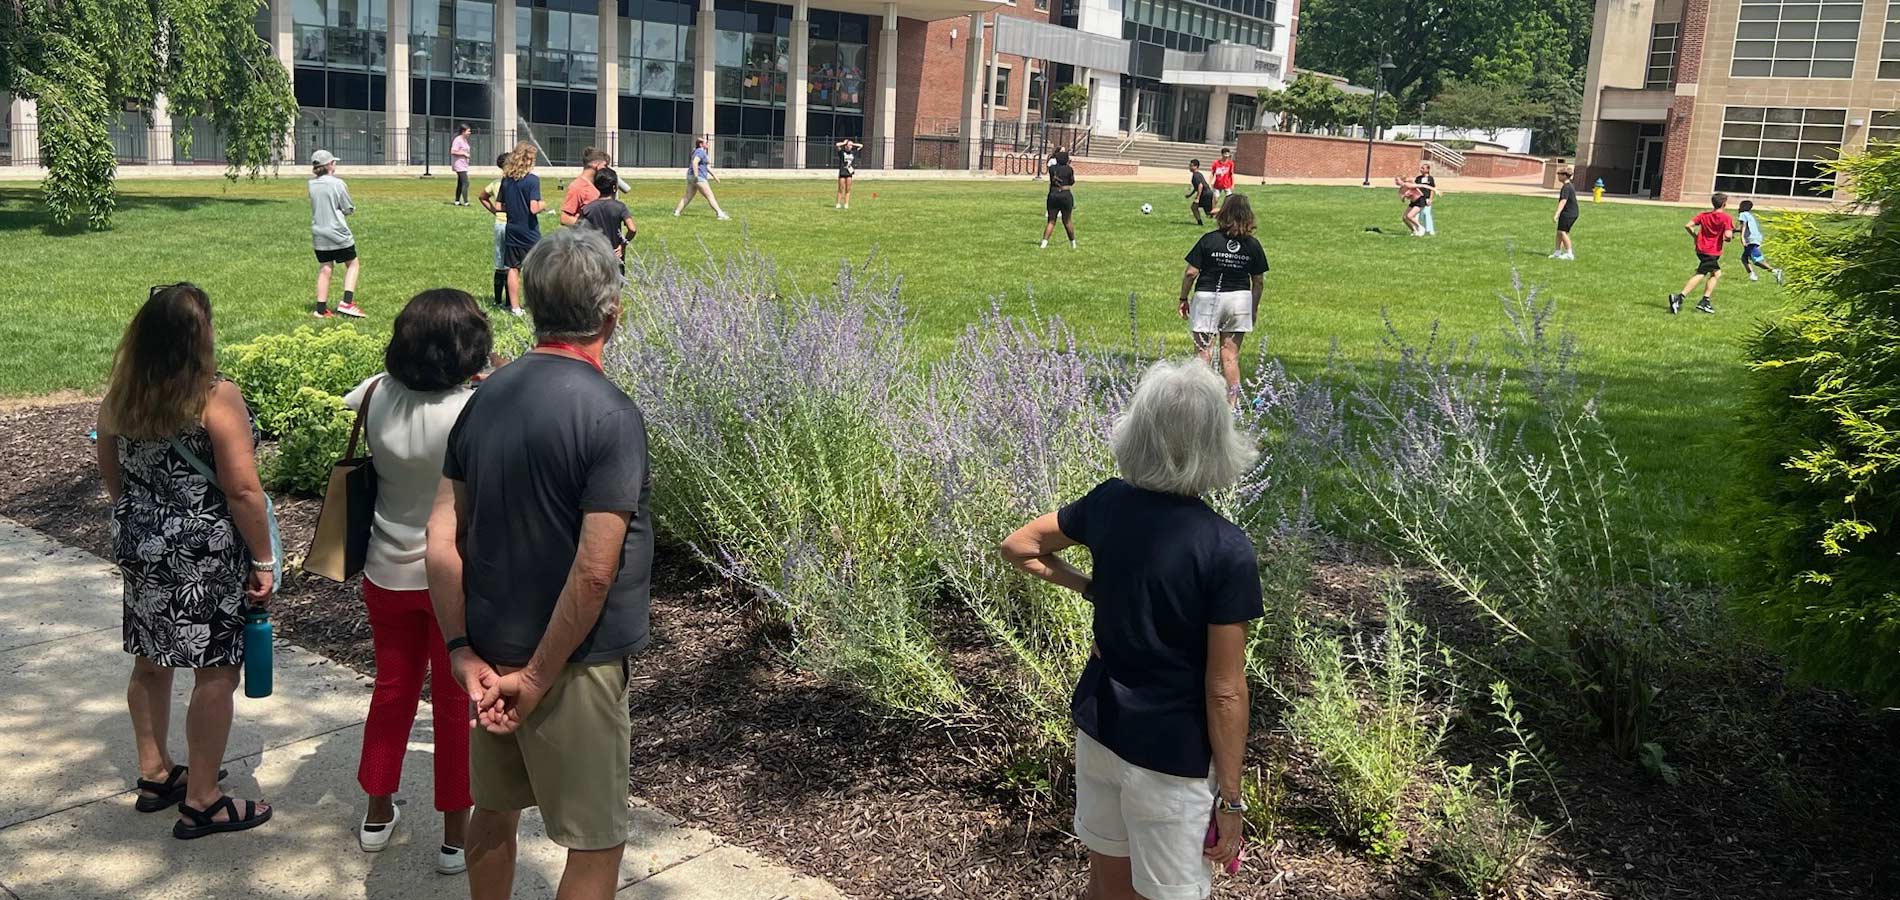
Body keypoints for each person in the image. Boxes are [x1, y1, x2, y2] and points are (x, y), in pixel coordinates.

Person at [427, 226, 652, 900]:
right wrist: (535, 676)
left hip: (491, 654)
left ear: (530, 304)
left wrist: (463, 651)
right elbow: (594, 570)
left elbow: (441, 538)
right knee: (595, 843)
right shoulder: (610, 416)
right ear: (611, 314)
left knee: (493, 812)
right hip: (573, 665)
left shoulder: (485, 397)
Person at [999, 357, 1260, 900]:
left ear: (1138, 432)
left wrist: (1089, 586)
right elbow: (1225, 690)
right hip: (1172, 758)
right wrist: (1231, 800)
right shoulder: (1225, 549)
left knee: (1106, 887)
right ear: (1216, 442)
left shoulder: (1109, 502)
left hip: (1101, 731)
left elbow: (1020, 546)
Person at [97, 283, 275, 840]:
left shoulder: (123, 394)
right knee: (215, 670)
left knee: (150, 660)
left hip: (142, 542)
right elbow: (242, 490)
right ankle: (203, 800)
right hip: (203, 552)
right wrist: (265, 558)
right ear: (200, 337)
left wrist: (146, 518)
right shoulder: (215, 397)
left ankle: (156, 774)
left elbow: (111, 472)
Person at [346, 290, 493, 875]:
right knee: (455, 703)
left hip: (385, 570)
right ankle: (455, 833)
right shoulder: (474, 410)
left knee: (392, 689)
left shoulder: (374, 394)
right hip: (452, 574)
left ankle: (377, 811)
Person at [1179, 193, 1269, 404]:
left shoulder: (1209, 240)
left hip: (1207, 299)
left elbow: (1191, 273)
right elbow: (1258, 281)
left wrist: (1183, 298)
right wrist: (1253, 308)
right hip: (1238, 301)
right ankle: (1231, 406)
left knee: (1203, 354)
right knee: (1230, 356)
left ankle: (1200, 403)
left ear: (1223, 214)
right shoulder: (1253, 245)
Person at [309, 150, 366, 319]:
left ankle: (321, 309)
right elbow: (347, 208)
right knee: (353, 264)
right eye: (333, 162)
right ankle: (347, 302)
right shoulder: (338, 183)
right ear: (328, 165)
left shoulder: (311, 184)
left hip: (319, 232)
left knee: (325, 268)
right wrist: (351, 209)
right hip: (337, 231)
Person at [497, 142, 545, 318]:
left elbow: (498, 206)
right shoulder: (532, 180)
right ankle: (536, 303)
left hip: (512, 229)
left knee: (513, 268)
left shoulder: (506, 179)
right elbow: (534, 208)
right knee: (536, 268)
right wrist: (543, 204)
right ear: (528, 160)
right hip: (529, 230)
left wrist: (513, 208)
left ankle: (515, 307)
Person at [1670, 192, 1734, 315]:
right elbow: (1728, 235)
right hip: (1712, 251)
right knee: (1701, 273)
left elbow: (1688, 225)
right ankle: (1679, 298)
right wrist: (1729, 237)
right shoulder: (1726, 218)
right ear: (1724, 204)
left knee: (1716, 273)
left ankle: (1705, 301)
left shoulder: (1703, 215)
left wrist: (1695, 236)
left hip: (1701, 249)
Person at [579, 167, 637, 266]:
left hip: (594, 258)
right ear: (615, 188)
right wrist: (623, 245)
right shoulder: (620, 207)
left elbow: (579, 230)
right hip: (615, 256)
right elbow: (632, 229)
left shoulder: (587, 208)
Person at [477, 153, 510, 309]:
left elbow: (482, 196)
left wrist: (495, 211)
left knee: (499, 262)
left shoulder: (496, 183)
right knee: (511, 264)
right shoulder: (513, 183)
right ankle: (509, 301)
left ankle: (497, 300)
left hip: (499, 223)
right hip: (511, 224)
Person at [673, 138, 730, 220]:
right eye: (706, 143)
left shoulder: (696, 151)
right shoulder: (701, 152)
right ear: (701, 144)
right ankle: (720, 214)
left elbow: (706, 166)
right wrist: (696, 176)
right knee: (710, 196)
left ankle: (677, 212)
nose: (708, 144)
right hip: (699, 177)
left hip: (690, 176)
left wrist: (714, 175)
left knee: (688, 196)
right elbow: (695, 162)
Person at [559, 147, 612, 227]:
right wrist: (589, 225)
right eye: (605, 165)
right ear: (595, 165)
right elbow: (565, 218)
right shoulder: (577, 187)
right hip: (587, 234)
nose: (606, 169)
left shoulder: (599, 184)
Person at [1735, 199, 1784, 284]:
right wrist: (1734, 230)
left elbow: (1744, 226)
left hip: (1751, 240)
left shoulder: (1743, 214)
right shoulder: (1750, 215)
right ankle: (1752, 274)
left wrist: (1742, 237)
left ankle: (1775, 271)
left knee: (1757, 260)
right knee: (1744, 258)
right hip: (1756, 238)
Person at [1041, 149, 1077, 250]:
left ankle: (1044, 243)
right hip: (1065, 194)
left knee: (1051, 221)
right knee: (1067, 221)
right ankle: (1073, 243)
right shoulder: (1069, 169)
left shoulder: (1052, 169)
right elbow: (1071, 182)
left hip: (1053, 194)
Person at [1551, 169, 1579, 260]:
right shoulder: (1568, 186)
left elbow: (1563, 201)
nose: (1558, 176)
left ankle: (1569, 254)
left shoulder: (1566, 187)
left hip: (1569, 213)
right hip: (1568, 212)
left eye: (1559, 174)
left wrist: (1557, 214)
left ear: (1565, 176)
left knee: (1562, 232)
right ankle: (1557, 252)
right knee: (1559, 232)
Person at [1410, 161, 1438, 236]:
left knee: (1427, 214)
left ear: (1427, 170)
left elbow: (1432, 189)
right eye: (1421, 168)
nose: (1421, 169)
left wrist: (1430, 199)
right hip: (1418, 199)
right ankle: (1416, 230)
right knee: (1415, 215)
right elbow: (1415, 188)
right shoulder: (1418, 178)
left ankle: (1430, 230)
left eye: (1423, 168)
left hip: (1426, 199)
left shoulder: (1430, 178)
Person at [835, 138, 863, 209]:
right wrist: (844, 143)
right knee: (840, 188)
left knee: (848, 189)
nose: (849, 146)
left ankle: (846, 203)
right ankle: (838, 203)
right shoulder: (842, 152)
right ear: (845, 146)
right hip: (842, 172)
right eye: (848, 145)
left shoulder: (853, 152)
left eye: (850, 146)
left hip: (849, 173)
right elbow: (837, 145)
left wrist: (852, 144)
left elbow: (861, 146)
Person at [1185, 160, 1214, 225]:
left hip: (1205, 194)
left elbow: (1200, 186)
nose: (1190, 167)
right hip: (1207, 193)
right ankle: (1199, 222)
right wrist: (1190, 195)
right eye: (1189, 165)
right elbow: (1197, 187)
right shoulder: (1198, 174)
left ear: (1196, 166)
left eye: (1191, 166)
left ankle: (1225, 210)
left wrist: (1197, 198)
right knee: (1194, 207)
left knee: (1209, 213)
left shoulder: (1196, 175)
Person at [450, 126, 473, 206]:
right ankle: (466, 202)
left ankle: (457, 201)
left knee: (460, 183)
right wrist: (464, 154)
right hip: (459, 164)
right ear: (463, 131)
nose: (469, 133)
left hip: (464, 164)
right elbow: (453, 151)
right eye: (468, 131)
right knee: (466, 183)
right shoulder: (458, 140)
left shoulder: (464, 140)